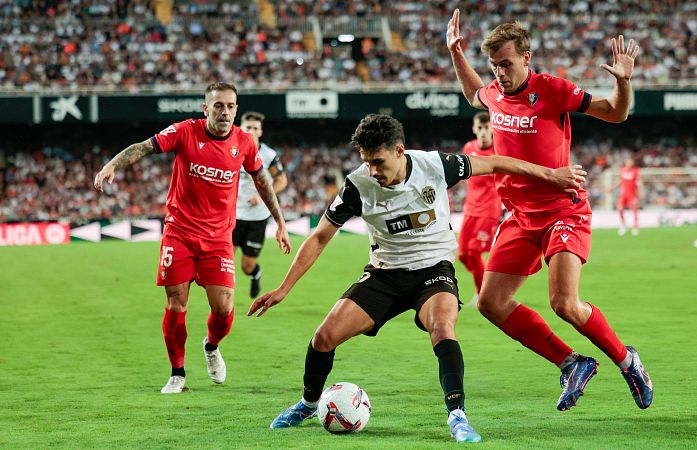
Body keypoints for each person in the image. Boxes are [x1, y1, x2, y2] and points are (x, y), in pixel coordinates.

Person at [247, 114, 586, 443]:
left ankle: (457, 415)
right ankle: (307, 404)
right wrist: (283, 288)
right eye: (367, 162)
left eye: (378, 161)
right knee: (323, 338)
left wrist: (550, 175)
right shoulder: (357, 184)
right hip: (384, 274)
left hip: (434, 271)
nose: (373, 170)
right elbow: (320, 237)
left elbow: (496, 162)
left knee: (442, 327)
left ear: (399, 150)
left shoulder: (435, 165)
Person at [447, 11, 653, 411]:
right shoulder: (495, 94)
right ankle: (571, 362)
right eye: (494, 66)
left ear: (527, 57)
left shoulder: (554, 90)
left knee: (564, 303)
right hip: (520, 217)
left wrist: (624, 83)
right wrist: (456, 53)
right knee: (491, 303)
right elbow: (475, 93)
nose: (499, 73)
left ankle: (628, 361)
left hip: (563, 210)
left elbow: (616, 112)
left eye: (506, 64)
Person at [93, 82, 292, 394]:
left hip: (218, 239)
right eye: (218, 106)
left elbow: (263, 181)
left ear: (236, 109)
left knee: (224, 308)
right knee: (176, 304)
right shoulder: (185, 131)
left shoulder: (245, 143)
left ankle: (211, 346)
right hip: (180, 233)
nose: (224, 111)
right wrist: (112, 165)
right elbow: (144, 146)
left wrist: (280, 222)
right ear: (206, 108)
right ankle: (177, 373)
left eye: (230, 106)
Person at [234, 111, 289, 298]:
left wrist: (262, 195)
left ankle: (255, 274)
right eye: (248, 127)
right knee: (223, 261)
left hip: (257, 218)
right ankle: (224, 299)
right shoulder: (230, 150)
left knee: (246, 266)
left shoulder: (268, 155)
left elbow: (281, 180)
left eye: (255, 128)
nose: (251, 131)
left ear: (260, 131)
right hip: (232, 216)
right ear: (240, 128)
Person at [457, 112, 502, 303]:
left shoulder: (500, 150)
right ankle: (489, 282)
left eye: (487, 128)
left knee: (474, 253)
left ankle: (482, 294)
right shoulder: (468, 148)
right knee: (463, 255)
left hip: (489, 210)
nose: (484, 132)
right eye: (480, 128)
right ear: (474, 129)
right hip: (470, 209)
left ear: (493, 129)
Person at [609, 156, 641, 236]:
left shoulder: (635, 170)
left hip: (632, 194)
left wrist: (640, 191)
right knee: (619, 209)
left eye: (630, 162)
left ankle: (635, 227)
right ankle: (623, 225)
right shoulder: (622, 170)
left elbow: (638, 181)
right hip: (623, 194)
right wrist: (612, 187)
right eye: (628, 161)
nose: (629, 163)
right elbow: (620, 180)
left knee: (634, 210)